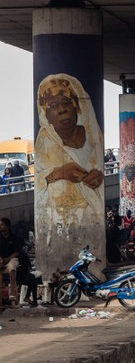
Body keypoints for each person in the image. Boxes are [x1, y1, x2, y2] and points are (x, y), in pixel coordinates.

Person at [34, 74, 104, 222]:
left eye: (66, 103)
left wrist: (98, 177)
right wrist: (60, 173)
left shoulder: (92, 134)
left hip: (92, 219)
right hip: (59, 219)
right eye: (53, 106)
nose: (61, 110)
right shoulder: (44, 141)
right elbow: (39, 181)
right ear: (46, 115)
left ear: (76, 106)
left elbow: (98, 166)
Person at [0, 218, 22, 305]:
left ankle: (12, 294)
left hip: (10, 259)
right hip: (1, 260)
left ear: (7, 226)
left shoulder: (14, 238)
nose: (0, 227)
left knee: (13, 268)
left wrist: (8, 258)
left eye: (2, 225)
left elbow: (16, 252)